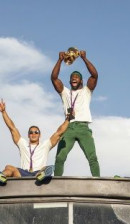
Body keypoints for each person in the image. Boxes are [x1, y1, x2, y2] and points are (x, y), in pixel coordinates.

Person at [0, 100, 70, 183]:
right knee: (8, 167)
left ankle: (41, 176)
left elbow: (59, 132)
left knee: (46, 168)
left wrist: (68, 119)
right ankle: (1, 176)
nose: (33, 134)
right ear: (28, 135)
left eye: (36, 132)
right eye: (31, 132)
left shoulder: (45, 145)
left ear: (39, 135)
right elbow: (12, 128)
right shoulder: (22, 143)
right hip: (23, 173)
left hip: (38, 172)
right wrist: (4, 112)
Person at [50, 49, 100, 177]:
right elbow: (54, 78)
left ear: (81, 81)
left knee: (92, 157)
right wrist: (60, 60)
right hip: (68, 127)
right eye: (72, 77)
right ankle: (57, 183)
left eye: (77, 77)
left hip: (83, 127)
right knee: (60, 158)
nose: (74, 78)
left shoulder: (86, 91)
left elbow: (95, 75)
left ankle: (97, 181)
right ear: (70, 81)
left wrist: (84, 58)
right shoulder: (65, 92)